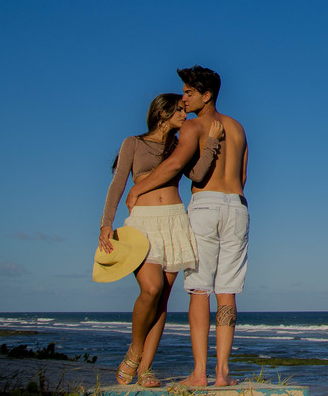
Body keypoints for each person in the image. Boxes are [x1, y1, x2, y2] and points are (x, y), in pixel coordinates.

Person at [128, 65, 248, 388]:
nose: (183, 99)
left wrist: (139, 188)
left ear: (206, 96)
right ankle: (223, 374)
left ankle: (199, 373)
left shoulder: (194, 127)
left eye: (189, 93)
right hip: (237, 208)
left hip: (206, 205)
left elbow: (175, 165)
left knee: (199, 289)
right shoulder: (237, 128)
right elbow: (244, 178)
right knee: (227, 292)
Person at [99, 93, 222, 387]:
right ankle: (135, 350)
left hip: (174, 221)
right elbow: (117, 184)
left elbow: (197, 174)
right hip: (143, 222)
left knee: (162, 299)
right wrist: (106, 224)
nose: (185, 114)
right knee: (151, 289)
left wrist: (212, 143)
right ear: (163, 113)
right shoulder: (134, 143)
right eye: (180, 110)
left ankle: (145, 369)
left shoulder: (180, 144)